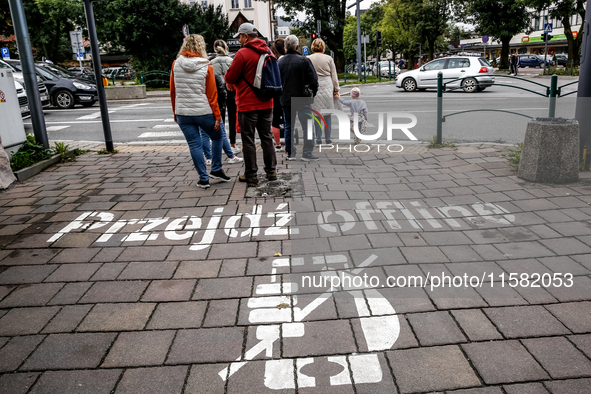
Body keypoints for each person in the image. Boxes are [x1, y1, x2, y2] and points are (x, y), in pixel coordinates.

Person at [170, 34, 231, 189]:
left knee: (194, 145)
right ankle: (216, 169)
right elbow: (212, 95)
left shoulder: (176, 64)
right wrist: (217, 116)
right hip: (204, 111)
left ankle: (203, 179)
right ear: (201, 46)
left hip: (183, 112)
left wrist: (175, 112)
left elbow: (173, 91)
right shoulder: (207, 66)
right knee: (217, 137)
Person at [224, 23, 277, 185]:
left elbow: (230, 77)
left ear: (246, 36)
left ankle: (251, 174)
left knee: (248, 140)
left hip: (247, 103)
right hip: (267, 102)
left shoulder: (242, 54)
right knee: (267, 137)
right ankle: (271, 172)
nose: (239, 40)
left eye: (239, 36)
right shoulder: (269, 51)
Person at [278, 34, 319, 161]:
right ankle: (307, 153)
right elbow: (314, 81)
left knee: (288, 126)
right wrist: (312, 94)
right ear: (297, 46)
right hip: (303, 98)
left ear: (285, 47)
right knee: (307, 126)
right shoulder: (304, 60)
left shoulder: (280, 62)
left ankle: (291, 153)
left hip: (285, 98)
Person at [201, 73, 244, 165]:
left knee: (203, 135)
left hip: (200, 107)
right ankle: (230, 155)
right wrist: (221, 107)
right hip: (214, 104)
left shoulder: (190, 73)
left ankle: (208, 158)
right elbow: (222, 91)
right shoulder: (211, 72)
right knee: (221, 132)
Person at [211, 39, 240, 155]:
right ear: (226, 48)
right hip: (231, 90)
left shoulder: (211, 62)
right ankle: (232, 144)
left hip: (218, 92)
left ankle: (223, 144)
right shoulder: (231, 60)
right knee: (232, 118)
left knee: (220, 118)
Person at [307, 38, 339, 144]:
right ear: (323, 47)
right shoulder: (328, 58)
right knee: (327, 113)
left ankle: (319, 138)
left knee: (316, 113)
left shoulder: (308, 58)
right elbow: (334, 76)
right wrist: (336, 90)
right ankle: (328, 137)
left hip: (314, 85)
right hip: (327, 85)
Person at [271, 39, 286, 152]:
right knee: (288, 118)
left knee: (275, 119)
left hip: (275, 92)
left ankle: (278, 145)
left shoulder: (272, 60)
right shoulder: (285, 60)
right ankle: (289, 141)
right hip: (286, 92)